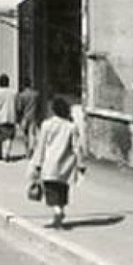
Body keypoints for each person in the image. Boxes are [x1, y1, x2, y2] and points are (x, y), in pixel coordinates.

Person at [28, 96, 86, 228]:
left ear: (53, 110)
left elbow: (41, 146)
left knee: (51, 192)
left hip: (50, 165)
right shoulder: (71, 127)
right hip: (66, 166)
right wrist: (81, 165)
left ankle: (58, 212)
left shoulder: (46, 125)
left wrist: (37, 164)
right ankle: (58, 219)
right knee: (62, 191)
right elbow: (77, 148)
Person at [0, 74, 17, 160]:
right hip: (11, 117)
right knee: (9, 137)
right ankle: (7, 154)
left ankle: (0, 154)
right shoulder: (13, 93)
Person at [15, 77, 42, 158]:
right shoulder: (36, 94)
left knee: (25, 134)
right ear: (30, 84)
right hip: (33, 116)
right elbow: (39, 106)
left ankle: (27, 151)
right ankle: (32, 149)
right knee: (33, 134)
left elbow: (19, 108)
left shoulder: (21, 95)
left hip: (25, 116)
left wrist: (18, 118)